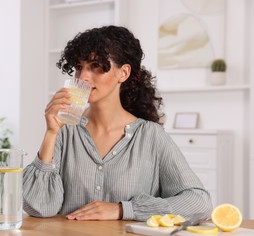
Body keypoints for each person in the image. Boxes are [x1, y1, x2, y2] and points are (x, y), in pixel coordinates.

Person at [23, 25, 213, 221]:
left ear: (123, 73)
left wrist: (123, 210)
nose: (83, 77)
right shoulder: (65, 131)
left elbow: (199, 203)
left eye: (96, 66)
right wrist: (51, 132)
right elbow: (38, 207)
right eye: (79, 67)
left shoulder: (151, 136)